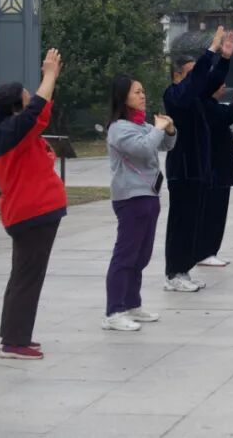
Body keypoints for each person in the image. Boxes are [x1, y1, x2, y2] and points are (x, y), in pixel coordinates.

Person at [0, 49, 67, 360]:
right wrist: (49, 75)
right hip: (31, 214)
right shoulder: (11, 131)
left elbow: (37, 112)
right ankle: (13, 342)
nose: (32, 98)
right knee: (26, 278)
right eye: (26, 96)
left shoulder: (13, 132)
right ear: (15, 107)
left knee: (24, 276)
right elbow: (37, 109)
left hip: (32, 214)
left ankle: (14, 335)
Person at [103, 76, 177, 331]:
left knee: (141, 255)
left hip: (149, 196)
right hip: (130, 198)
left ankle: (132, 304)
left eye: (143, 91)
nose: (142, 95)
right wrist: (157, 129)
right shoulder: (119, 128)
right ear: (123, 97)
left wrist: (169, 130)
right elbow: (143, 149)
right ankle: (114, 311)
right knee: (125, 255)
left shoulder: (142, 125)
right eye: (136, 92)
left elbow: (166, 144)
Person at [162, 27, 233, 292]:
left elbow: (210, 81)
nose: (197, 78)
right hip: (182, 171)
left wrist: (224, 59)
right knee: (180, 224)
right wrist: (210, 51)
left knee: (193, 224)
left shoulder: (196, 98)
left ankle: (184, 270)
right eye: (190, 73)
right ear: (177, 75)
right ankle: (173, 273)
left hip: (199, 170)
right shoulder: (174, 95)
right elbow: (196, 83)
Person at [195, 84, 233, 267]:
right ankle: (205, 252)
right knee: (212, 212)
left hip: (220, 170)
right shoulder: (205, 104)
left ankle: (210, 250)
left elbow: (225, 114)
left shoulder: (212, 105)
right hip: (213, 170)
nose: (224, 86)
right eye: (220, 83)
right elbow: (227, 116)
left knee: (218, 212)